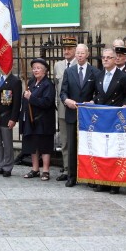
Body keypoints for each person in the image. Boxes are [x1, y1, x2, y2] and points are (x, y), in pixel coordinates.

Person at [92, 48, 126, 194]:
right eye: (104, 57)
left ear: (116, 59)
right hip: (102, 117)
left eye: (109, 57)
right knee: (103, 149)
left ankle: (114, 183)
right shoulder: (98, 75)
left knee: (115, 150)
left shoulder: (124, 77)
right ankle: (102, 181)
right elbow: (97, 94)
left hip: (116, 117)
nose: (106, 60)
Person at [60, 43, 100, 187]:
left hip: (89, 116)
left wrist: (93, 101)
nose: (80, 55)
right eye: (77, 53)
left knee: (88, 146)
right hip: (72, 113)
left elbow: (99, 93)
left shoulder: (94, 72)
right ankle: (72, 176)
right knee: (72, 146)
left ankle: (89, 176)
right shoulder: (69, 71)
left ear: (87, 54)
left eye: (82, 53)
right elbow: (63, 91)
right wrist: (66, 100)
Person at [21, 58, 56, 181]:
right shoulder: (31, 82)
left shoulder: (48, 85)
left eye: (38, 68)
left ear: (45, 71)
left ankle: (45, 170)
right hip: (31, 120)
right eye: (34, 68)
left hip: (44, 120)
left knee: (44, 146)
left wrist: (31, 98)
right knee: (33, 145)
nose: (35, 70)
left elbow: (47, 102)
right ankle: (35, 169)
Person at [54, 36, 77, 181]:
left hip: (77, 109)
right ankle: (67, 169)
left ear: (75, 50)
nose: (66, 51)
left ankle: (78, 169)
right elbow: (57, 87)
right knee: (65, 141)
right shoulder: (58, 65)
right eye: (64, 49)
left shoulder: (79, 64)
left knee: (77, 140)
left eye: (69, 49)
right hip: (63, 109)